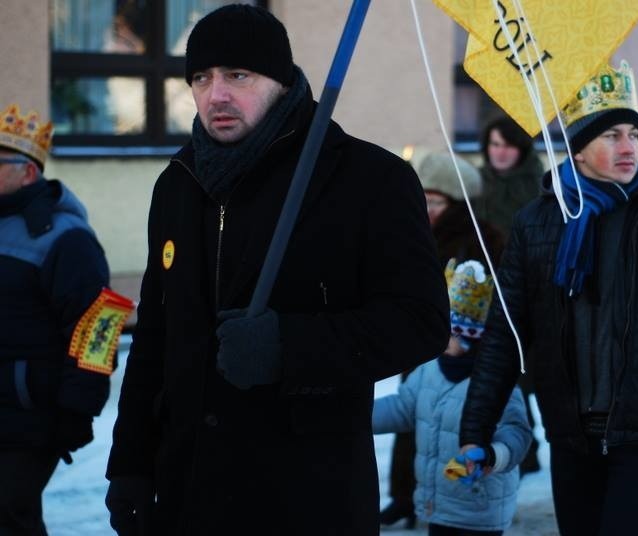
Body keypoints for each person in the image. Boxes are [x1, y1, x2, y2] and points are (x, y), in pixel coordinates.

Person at [104, 5, 450, 535]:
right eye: (201, 77)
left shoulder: (367, 180)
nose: (215, 94)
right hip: (189, 493)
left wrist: (289, 346)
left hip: (305, 496)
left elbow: (420, 322)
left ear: (282, 82)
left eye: (237, 75)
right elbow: (155, 338)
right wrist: (129, 465)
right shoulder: (178, 184)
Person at [457, 61, 638, 536]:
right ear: (579, 147)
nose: (630, 146)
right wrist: (475, 430)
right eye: (612, 135)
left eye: (632, 133)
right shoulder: (539, 221)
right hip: (571, 430)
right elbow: (506, 333)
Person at [0, 103, 112, 534]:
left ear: (28, 172)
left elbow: (99, 327)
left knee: (9, 516)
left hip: (30, 416)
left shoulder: (67, 239)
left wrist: (77, 410)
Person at [380, 152, 505, 529]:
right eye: (425, 199)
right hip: (417, 346)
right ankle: (404, 496)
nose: (429, 208)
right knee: (411, 422)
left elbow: (497, 298)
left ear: (455, 202)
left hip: (464, 355)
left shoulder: (486, 239)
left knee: (455, 427)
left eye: (437, 201)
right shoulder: (413, 234)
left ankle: (456, 502)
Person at [373, 252, 531, 536]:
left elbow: (518, 435)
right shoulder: (429, 370)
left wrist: (493, 455)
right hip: (439, 504)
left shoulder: (496, 381)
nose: (442, 339)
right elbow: (403, 407)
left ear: (472, 337)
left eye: (452, 335)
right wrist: (358, 415)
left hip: (480, 507)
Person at [476, 115, 544, 475]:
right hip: (483, 294)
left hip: (526, 293)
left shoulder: (537, 185)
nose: (500, 152)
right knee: (496, 372)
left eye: (508, 144)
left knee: (523, 374)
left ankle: (527, 445)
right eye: (494, 144)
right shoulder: (475, 184)